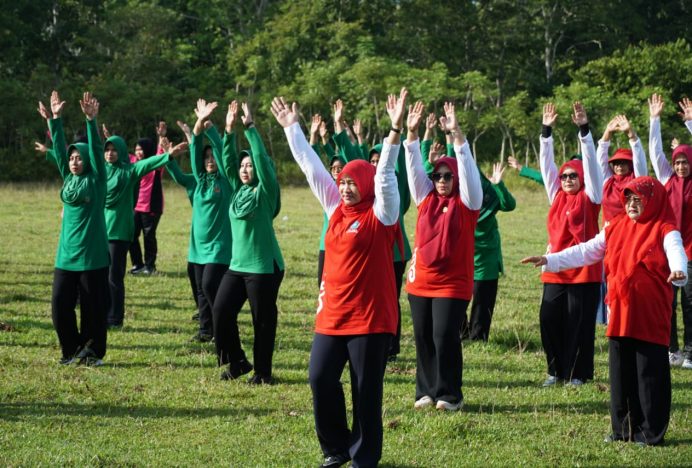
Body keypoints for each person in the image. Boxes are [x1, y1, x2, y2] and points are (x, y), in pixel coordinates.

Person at [272, 88, 403, 468]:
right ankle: (335, 447)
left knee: (366, 391)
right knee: (319, 378)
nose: (345, 187)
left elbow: (386, 181)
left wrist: (393, 132)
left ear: (365, 184)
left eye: (351, 182)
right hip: (332, 316)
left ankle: (364, 456)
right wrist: (292, 129)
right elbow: (312, 169)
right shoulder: (334, 210)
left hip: (370, 319)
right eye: (342, 181)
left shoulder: (381, 216)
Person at [522, 176, 687, 446]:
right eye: (629, 199)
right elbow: (587, 251)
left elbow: (675, 251)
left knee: (648, 372)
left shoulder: (665, 227)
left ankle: (650, 431)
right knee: (620, 371)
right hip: (621, 310)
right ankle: (622, 429)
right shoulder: (615, 225)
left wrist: (679, 271)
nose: (633, 204)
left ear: (652, 201)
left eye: (639, 199)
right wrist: (550, 260)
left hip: (649, 312)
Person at [404, 101, 483, 411]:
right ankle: (425, 391)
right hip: (421, 280)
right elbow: (412, 170)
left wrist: (457, 136)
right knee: (423, 337)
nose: (442, 181)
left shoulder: (468, 204)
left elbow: (469, 171)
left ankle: (450, 394)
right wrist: (410, 133)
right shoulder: (425, 200)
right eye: (437, 175)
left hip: (452, 282)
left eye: (448, 176)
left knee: (443, 336)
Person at [212, 102, 284, 385]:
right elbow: (227, 161)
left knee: (262, 322)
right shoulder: (237, 191)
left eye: (249, 165)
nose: (244, 169)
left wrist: (250, 129)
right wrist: (228, 130)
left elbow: (263, 163)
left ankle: (263, 373)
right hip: (238, 265)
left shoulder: (265, 192)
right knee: (220, 312)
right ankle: (238, 361)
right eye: (242, 165)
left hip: (264, 266)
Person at [38, 91, 109, 365]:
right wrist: (55, 119)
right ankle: (70, 350)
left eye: (79, 158)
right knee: (59, 306)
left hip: (92, 256)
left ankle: (91, 352)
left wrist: (91, 121)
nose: (74, 162)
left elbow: (97, 153)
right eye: (72, 159)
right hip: (66, 255)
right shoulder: (68, 178)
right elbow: (57, 150)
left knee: (93, 309)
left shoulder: (97, 180)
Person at [536, 102, 602, 387]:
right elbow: (546, 165)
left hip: (584, 268)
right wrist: (545, 132)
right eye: (564, 176)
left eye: (572, 176)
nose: (566, 179)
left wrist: (584, 132)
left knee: (579, 323)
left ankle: (578, 373)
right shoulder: (557, 195)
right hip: (555, 265)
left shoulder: (591, 197)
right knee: (548, 316)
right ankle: (556, 370)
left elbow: (592, 165)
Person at [100, 125, 185, 328]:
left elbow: (148, 163)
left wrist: (168, 155)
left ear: (120, 152)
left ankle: (114, 318)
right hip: (100, 232)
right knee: (100, 275)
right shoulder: (100, 171)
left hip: (119, 233)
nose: (110, 154)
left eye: (114, 150)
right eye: (107, 150)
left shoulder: (129, 170)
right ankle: (102, 313)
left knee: (114, 277)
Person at [174, 100, 234, 343]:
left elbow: (223, 151)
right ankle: (206, 330)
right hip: (197, 248)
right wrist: (196, 129)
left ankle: (223, 325)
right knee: (200, 290)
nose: (210, 159)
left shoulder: (227, 182)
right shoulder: (199, 180)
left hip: (219, 247)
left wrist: (209, 129)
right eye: (206, 157)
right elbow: (194, 148)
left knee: (210, 286)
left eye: (212, 157)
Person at [649, 93, 692, 369]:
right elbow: (655, 151)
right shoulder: (666, 179)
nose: (680, 166)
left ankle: (690, 351)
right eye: (677, 162)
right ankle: (671, 349)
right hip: (669, 250)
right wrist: (654, 120)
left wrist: (691, 123)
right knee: (667, 302)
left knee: (690, 304)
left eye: (685, 162)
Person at [129, 122, 167, 275]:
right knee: (131, 234)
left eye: (141, 149)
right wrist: (109, 138)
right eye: (136, 149)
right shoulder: (133, 163)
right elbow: (119, 154)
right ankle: (137, 264)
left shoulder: (155, 165)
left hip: (151, 206)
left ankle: (150, 267)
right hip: (136, 206)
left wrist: (161, 136)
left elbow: (161, 153)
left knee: (149, 236)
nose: (138, 152)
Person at [597, 114, 647, 224]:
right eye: (616, 163)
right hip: (609, 232)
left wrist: (631, 134)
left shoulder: (637, 180)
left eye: (623, 163)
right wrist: (607, 133)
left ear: (630, 165)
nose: (619, 166)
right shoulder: (608, 181)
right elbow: (600, 159)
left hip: (631, 231)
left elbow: (639, 159)